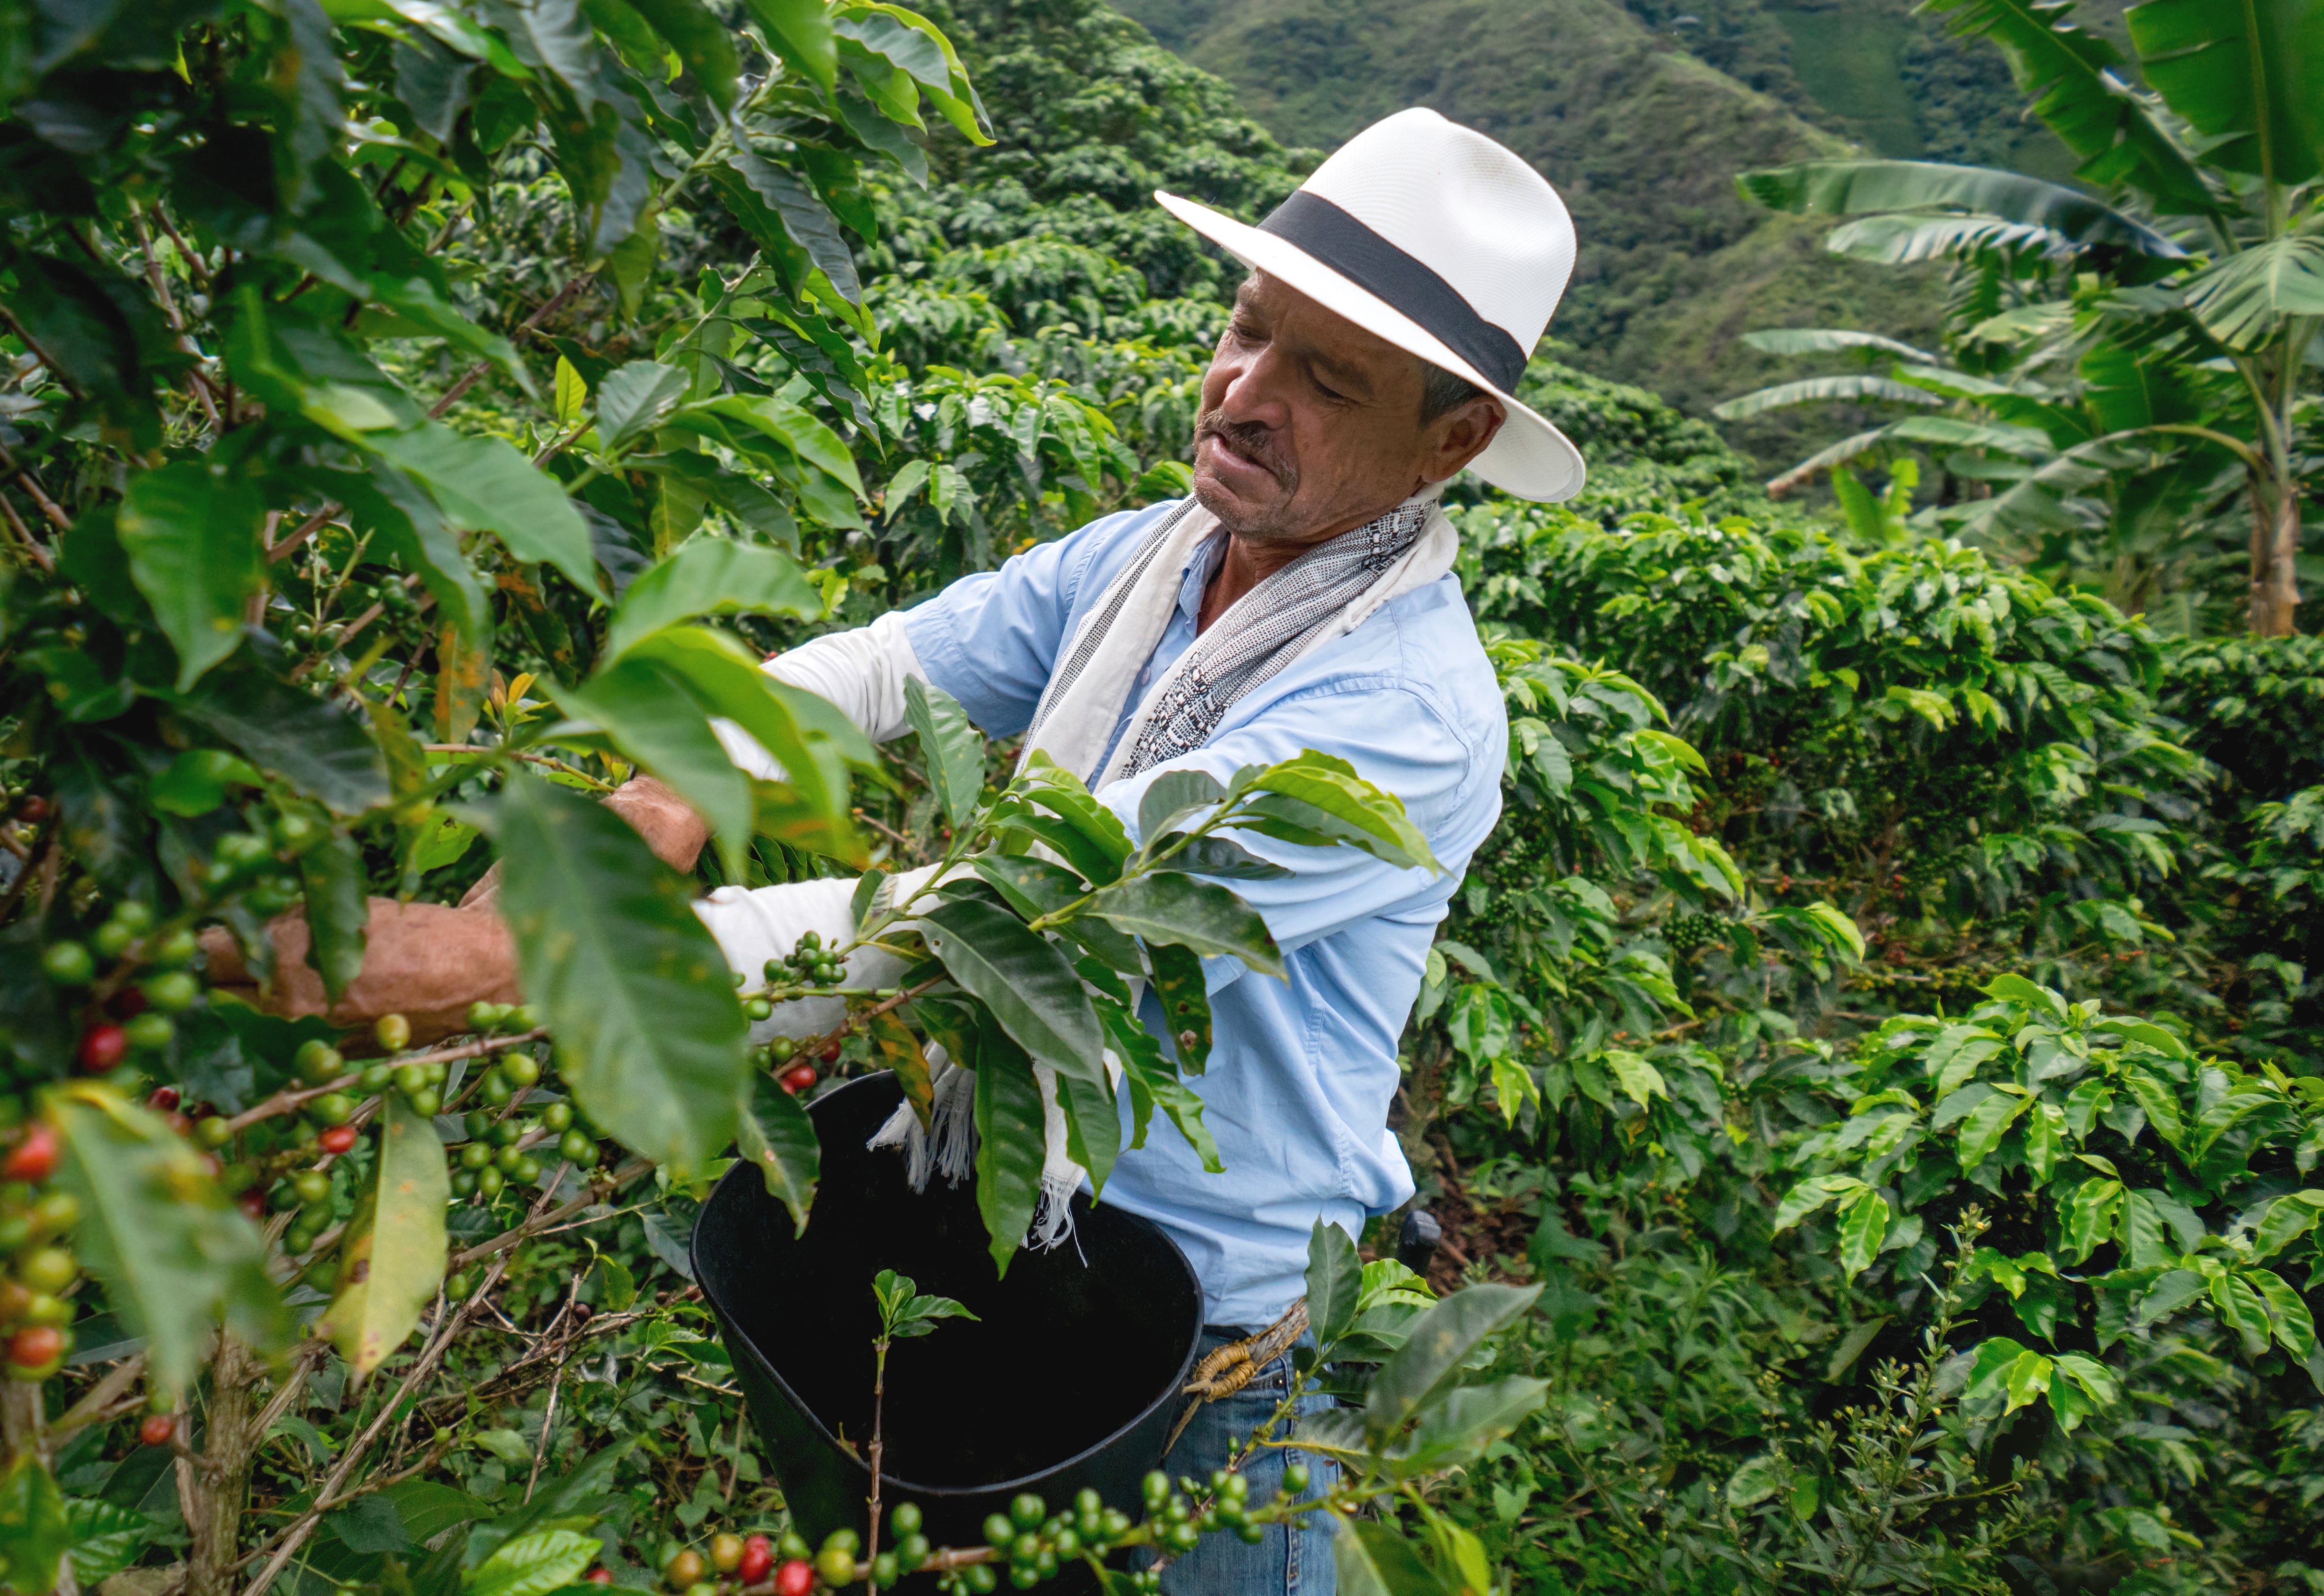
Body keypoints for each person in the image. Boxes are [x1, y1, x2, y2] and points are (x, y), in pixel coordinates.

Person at [215, 108, 1584, 1594]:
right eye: (1249, 331)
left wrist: (534, 958)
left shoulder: (1404, 717)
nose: (1246, 394)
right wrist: (658, 803)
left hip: (1203, 1347)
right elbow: (882, 670)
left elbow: (1022, 916)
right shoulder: (1150, 555)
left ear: (1452, 441)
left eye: (1327, 380)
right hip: (997, 1220)